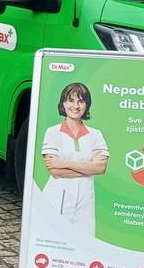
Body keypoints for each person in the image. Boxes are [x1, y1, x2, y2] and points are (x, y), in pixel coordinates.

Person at [39, 82, 109, 236]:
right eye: (71, 100)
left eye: (81, 101)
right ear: (63, 103)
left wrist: (64, 163)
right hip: (56, 198)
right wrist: (88, 168)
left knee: (84, 243)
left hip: (85, 200)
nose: (76, 106)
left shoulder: (95, 135)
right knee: (53, 239)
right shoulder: (52, 133)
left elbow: (100, 168)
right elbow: (55, 170)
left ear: (87, 105)